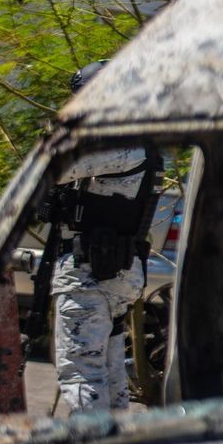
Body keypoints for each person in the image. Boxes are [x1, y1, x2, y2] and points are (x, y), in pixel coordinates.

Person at [50, 61, 160, 412]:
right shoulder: (141, 138)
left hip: (91, 274)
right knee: (110, 371)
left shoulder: (118, 142)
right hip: (116, 273)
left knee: (80, 371)